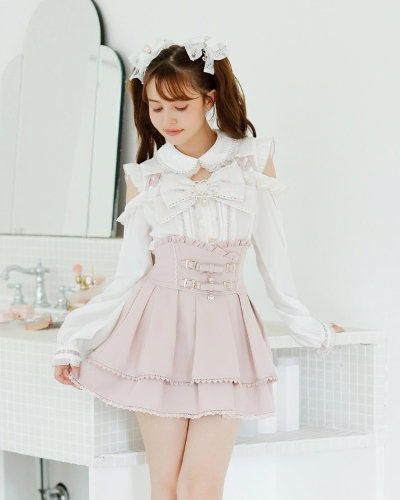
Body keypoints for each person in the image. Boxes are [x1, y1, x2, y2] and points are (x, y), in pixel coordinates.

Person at [53, 36, 344, 500]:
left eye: (180, 106)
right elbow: (130, 274)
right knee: (166, 485)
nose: (166, 119)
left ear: (209, 99)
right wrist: (73, 339)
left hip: (226, 330)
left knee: (201, 485)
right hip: (157, 331)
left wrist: (310, 327)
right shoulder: (146, 176)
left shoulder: (251, 159)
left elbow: (274, 254)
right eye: (155, 107)